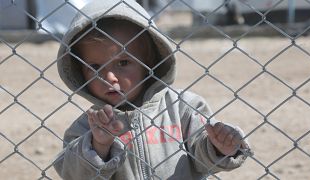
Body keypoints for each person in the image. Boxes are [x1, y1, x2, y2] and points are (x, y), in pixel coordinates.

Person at [54, 0, 252, 179]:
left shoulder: (182, 107)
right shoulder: (85, 128)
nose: (109, 77)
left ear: (149, 64)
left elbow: (203, 157)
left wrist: (220, 147)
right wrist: (98, 146)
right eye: (95, 67)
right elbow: (72, 174)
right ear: (79, 70)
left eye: (123, 63)